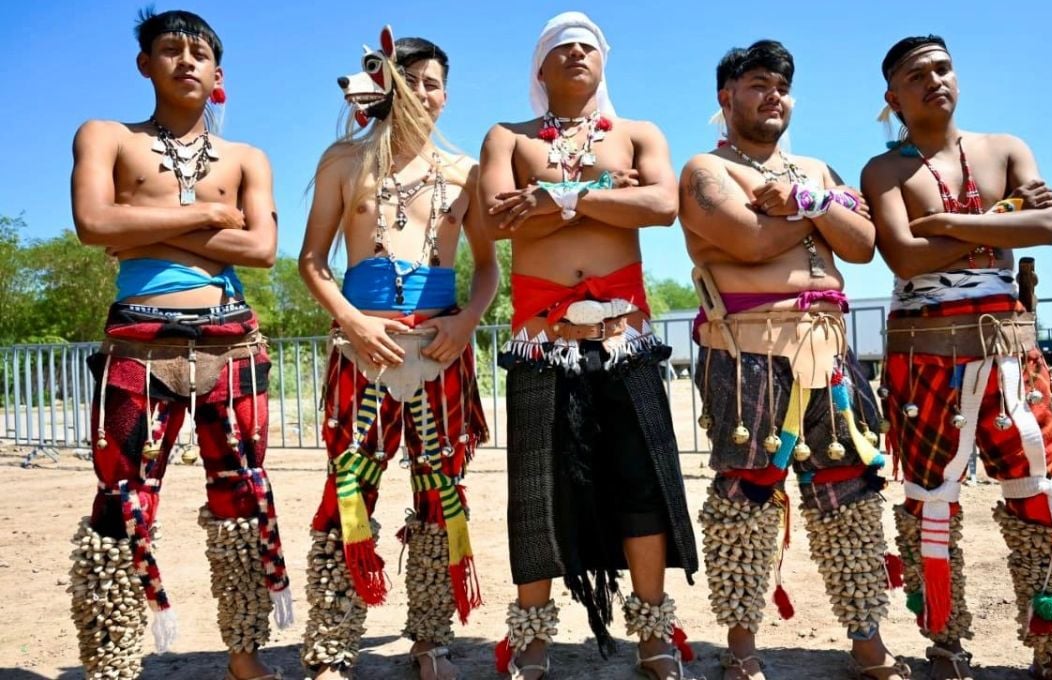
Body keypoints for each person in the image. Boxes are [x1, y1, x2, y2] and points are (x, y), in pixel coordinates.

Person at [861, 35, 1052, 680]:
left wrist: (943, 222)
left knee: (1038, 492)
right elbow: (904, 259)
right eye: (918, 74)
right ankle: (945, 642)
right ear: (894, 96)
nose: (936, 79)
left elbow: (1046, 228)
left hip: (1009, 352)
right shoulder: (884, 172)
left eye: (944, 67)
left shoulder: (1006, 148)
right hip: (925, 354)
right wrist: (1001, 220)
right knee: (929, 500)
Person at [68, 9, 291, 680]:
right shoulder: (106, 136)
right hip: (139, 343)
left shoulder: (247, 157)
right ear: (145, 64)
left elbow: (261, 248)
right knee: (123, 500)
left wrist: (141, 226)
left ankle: (244, 653)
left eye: (199, 53)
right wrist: (206, 212)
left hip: (232, 341)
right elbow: (91, 222)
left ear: (218, 75)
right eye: (170, 49)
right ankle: (112, 659)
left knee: (242, 498)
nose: (186, 60)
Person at [477, 11, 699, 680]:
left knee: (641, 481)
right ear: (539, 70)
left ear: (604, 62)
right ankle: (534, 637)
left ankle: (653, 633)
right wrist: (606, 192)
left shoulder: (636, 133)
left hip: (625, 338)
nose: (576, 54)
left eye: (587, 47)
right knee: (538, 487)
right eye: (560, 48)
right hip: (542, 342)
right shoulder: (508, 136)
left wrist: (549, 196)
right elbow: (494, 218)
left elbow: (662, 206)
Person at [679, 39, 910, 680]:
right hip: (747, 348)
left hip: (829, 349)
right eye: (757, 84)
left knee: (853, 491)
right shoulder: (705, 169)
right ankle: (742, 646)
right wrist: (824, 213)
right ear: (726, 97)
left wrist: (806, 201)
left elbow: (863, 245)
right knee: (745, 496)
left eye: (780, 85)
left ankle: (867, 639)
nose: (772, 95)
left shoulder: (816, 168)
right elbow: (749, 243)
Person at [296, 28, 497, 680]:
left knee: (442, 493)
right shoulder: (343, 162)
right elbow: (311, 261)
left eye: (431, 83)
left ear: (446, 95)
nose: (420, 93)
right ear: (382, 86)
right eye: (407, 80)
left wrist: (467, 321)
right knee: (349, 490)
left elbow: (488, 269)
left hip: (441, 349)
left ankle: (430, 638)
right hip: (365, 350)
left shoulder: (466, 172)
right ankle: (331, 645)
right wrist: (353, 323)